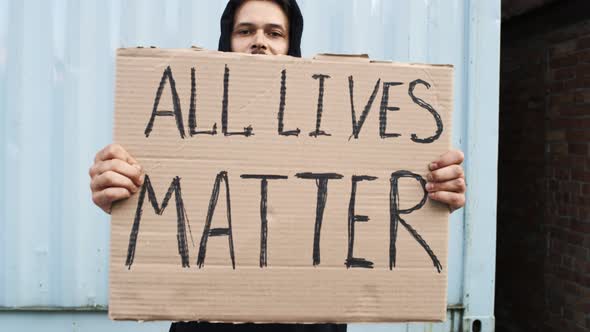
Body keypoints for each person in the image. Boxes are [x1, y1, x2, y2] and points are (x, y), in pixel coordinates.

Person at [89, 0, 466, 331]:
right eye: (245, 30)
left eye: (274, 32)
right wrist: (118, 189)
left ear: (291, 46)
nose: (259, 41)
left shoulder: (337, 127)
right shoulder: (183, 123)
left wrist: (434, 188)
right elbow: (159, 205)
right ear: (227, 40)